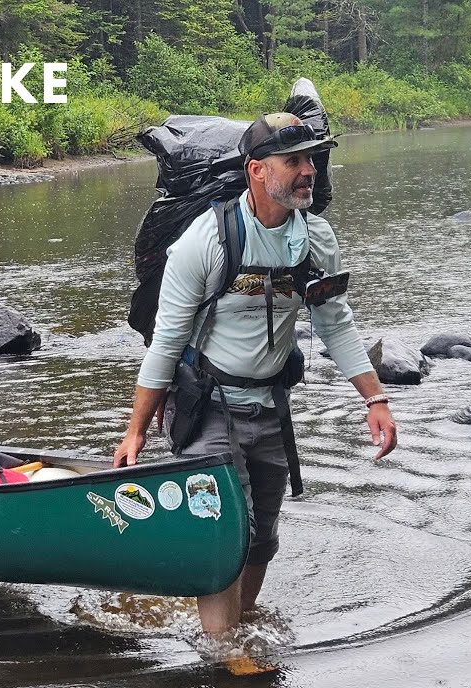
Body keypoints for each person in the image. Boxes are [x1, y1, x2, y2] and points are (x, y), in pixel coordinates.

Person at [113, 112, 398, 639]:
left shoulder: (315, 239)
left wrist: (374, 399)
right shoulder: (206, 241)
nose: (308, 170)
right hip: (205, 407)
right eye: (293, 161)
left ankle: (235, 625)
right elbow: (167, 341)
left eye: (310, 159)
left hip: (271, 405)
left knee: (261, 538)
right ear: (257, 171)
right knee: (223, 533)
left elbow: (335, 323)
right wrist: (135, 429)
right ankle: (222, 651)